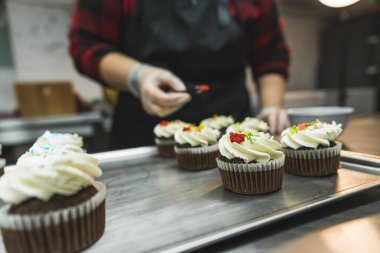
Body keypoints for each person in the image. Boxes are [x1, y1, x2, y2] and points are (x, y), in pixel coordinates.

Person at [69, 0, 290, 150]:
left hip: (235, 137)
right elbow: (86, 44)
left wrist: (271, 106)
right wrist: (139, 75)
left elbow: (270, 52)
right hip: (145, 134)